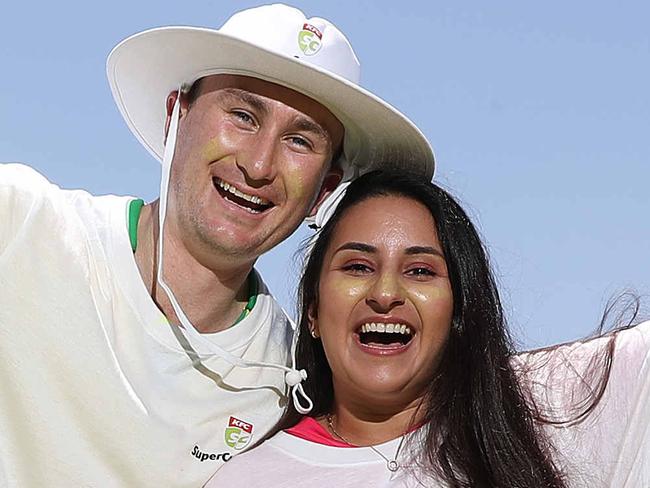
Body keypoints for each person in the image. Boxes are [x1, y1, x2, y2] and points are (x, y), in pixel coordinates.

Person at [0, 5, 435, 488]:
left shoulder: (296, 383)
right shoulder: (19, 222)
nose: (258, 164)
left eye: (299, 141)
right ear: (176, 115)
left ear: (325, 189)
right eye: (244, 115)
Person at [208, 171, 649, 487]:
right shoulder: (244, 478)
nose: (384, 293)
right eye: (358, 266)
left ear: (460, 313)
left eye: (420, 271)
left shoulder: (548, 411)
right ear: (313, 313)